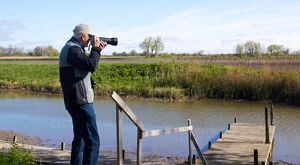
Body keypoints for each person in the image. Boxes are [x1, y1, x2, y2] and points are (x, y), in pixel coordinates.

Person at [59, 23, 107, 165]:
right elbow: (91, 65)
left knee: (79, 139)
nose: (91, 39)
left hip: (75, 101)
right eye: (90, 37)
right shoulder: (72, 50)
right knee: (93, 141)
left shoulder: (72, 48)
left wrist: (95, 49)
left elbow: (86, 63)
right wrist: (97, 49)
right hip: (81, 102)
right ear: (83, 36)